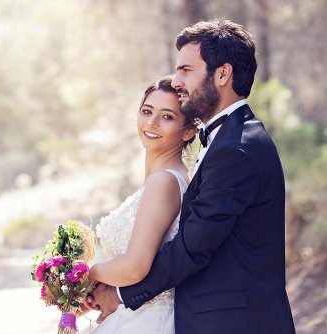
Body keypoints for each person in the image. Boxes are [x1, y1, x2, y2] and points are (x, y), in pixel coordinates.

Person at [85, 18, 296, 334]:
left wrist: (118, 293)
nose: (178, 80)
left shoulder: (236, 148)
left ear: (222, 74)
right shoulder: (228, 140)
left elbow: (192, 248)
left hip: (236, 324)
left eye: (186, 70)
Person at [80, 75, 197, 333]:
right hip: (133, 313)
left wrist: (85, 276)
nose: (152, 123)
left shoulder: (165, 182)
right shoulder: (159, 180)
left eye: (167, 117)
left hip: (147, 320)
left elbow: (135, 267)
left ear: (188, 131)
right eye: (146, 111)